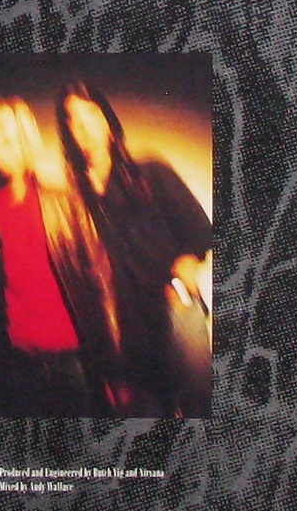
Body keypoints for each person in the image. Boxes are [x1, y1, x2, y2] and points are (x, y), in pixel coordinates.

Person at [0, 97, 122, 416]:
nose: (9, 139)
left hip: (75, 364)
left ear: (29, 138)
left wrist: (114, 368)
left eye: (17, 130)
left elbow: (100, 284)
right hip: (14, 373)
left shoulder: (66, 205)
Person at [57, 81, 213, 417]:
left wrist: (187, 264)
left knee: (200, 408)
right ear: (67, 134)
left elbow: (201, 231)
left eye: (90, 115)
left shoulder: (151, 174)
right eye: (73, 120)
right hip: (126, 335)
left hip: (175, 312)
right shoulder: (73, 204)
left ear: (107, 122)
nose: (84, 127)